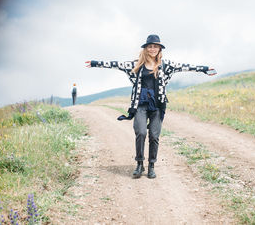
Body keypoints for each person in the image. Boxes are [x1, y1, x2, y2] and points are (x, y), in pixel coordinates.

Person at [86, 34, 216, 179]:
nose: (153, 49)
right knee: (141, 132)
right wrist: (95, 63)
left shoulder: (166, 65)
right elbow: (116, 64)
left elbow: (186, 67)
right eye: (150, 46)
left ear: (159, 48)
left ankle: (151, 166)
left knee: (154, 136)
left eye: (155, 46)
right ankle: (139, 164)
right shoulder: (136, 65)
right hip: (140, 105)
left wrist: (204, 69)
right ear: (146, 49)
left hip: (157, 106)